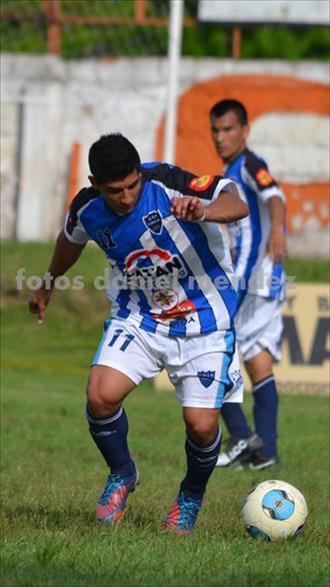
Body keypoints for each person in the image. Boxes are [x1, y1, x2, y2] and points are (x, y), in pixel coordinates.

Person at [28, 133, 248, 535]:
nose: (127, 197)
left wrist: (206, 212)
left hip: (206, 318)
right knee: (99, 395)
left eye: (133, 186)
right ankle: (122, 473)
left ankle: (190, 495)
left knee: (201, 425)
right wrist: (48, 284)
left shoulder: (166, 181)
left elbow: (237, 202)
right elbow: (70, 240)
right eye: (116, 191)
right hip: (140, 316)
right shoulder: (88, 207)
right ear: (95, 183)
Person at [209, 99, 287, 470]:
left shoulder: (251, 164)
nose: (220, 137)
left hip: (252, 277)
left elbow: (275, 197)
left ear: (245, 130)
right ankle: (265, 453)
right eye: (215, 130)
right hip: (262, 279)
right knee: (258, 362)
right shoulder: (232, 168)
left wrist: (279, 234)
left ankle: (240, 435)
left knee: (211, 345)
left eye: (227, 129)